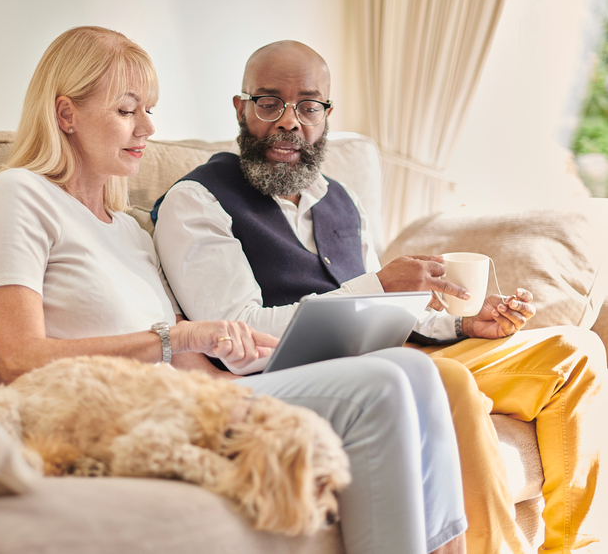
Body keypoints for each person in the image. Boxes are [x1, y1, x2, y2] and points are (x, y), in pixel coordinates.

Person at [0, 26, 467, 554]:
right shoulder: (20, 194)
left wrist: (243, 361)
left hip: (192, 398)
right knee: (382, 386)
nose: (148, 127)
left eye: (148, 110)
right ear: (66, 114)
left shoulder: (129, 231)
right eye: (126, 110)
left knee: (414, 369)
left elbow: (193, 367)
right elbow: (17, 360)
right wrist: (178, 338)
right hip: (120, 411)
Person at [152, 39, 608, 554]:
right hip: (313, 376)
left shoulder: (342, 199)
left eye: (308, 106)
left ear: (326, 115)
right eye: (269, 103)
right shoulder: (198, 201)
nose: (289, 121)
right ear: (242, 108)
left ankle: (575, 547)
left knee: (576, 352)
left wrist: (460, 324)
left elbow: (384, 308)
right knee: (447, 380)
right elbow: (237, 334)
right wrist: (382, 285)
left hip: (397, 350)